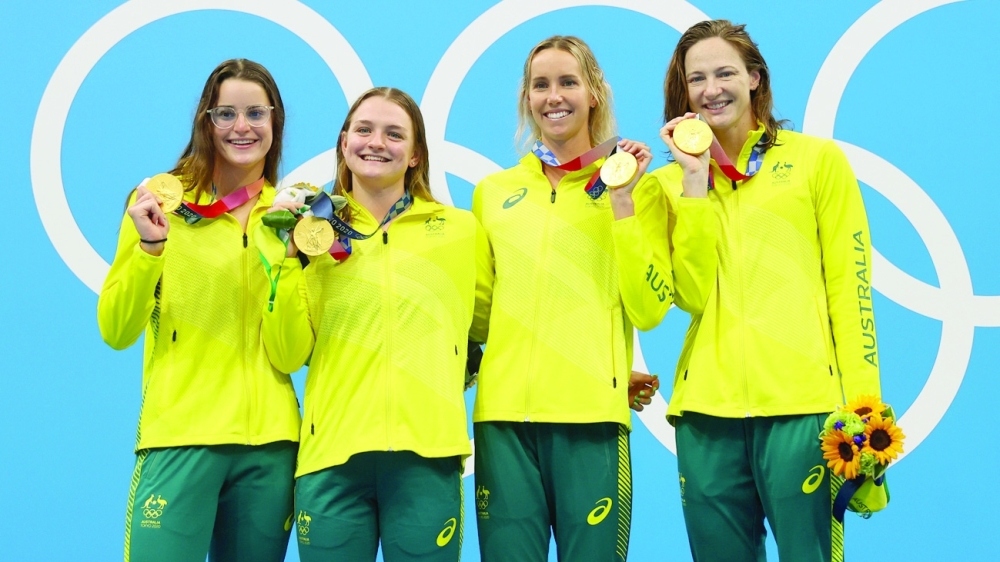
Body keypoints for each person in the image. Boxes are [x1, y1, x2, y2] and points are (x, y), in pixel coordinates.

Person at [652, 19, 882, 562]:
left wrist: (865, 407)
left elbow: (851, 291)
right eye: (697, 78)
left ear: (755, 78)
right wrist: (692, 183)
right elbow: (689, 293)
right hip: (707, 416)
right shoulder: (667, 185)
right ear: (682, 93)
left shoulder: (816, 162)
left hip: (805, 413)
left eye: (726, 72)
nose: (712, 89)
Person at [259, 87, 491, 562]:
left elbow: (494, 324)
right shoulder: (311, 234)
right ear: (344, 143)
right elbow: (286, 353)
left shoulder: (461, 231)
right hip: (332, 463)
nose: (376, 142)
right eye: (363, 130)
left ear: (415, 154)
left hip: (428, 457)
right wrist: (287, 261)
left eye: (393, 134)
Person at [470, 35, 673, 562]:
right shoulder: (493, 193)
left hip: (592, 420)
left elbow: (650, 309)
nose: (553, 96)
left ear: (595, 93)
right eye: (541, 85)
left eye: (568, 82)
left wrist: (623, 201)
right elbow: (480, 313)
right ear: (526, 97)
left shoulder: (639, 188)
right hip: (504, 422)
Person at [97, 59, 300, 562]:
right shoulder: (160, 204)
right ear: (205, 122)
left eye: (256, 113)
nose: (242, 127)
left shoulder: (294, 214)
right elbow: (117, 330)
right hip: (181, 436)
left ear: (275, 122)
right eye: (225, 113)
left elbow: (298, 343)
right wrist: (150, 249)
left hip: (270, 446)